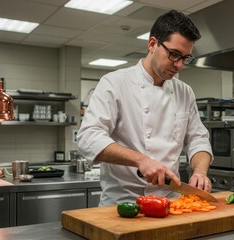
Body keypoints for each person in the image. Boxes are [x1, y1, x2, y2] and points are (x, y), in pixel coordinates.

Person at [77, 9, 213, 206]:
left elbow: (197, 139)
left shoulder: (184, 91)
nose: (179, 65)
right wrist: (141, 160)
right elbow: (88, 137)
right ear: (152, 44)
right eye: (174, 55)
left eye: (186, 58)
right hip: (123, 204)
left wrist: (200, 171)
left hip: (171, 202)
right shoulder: (114, 83)